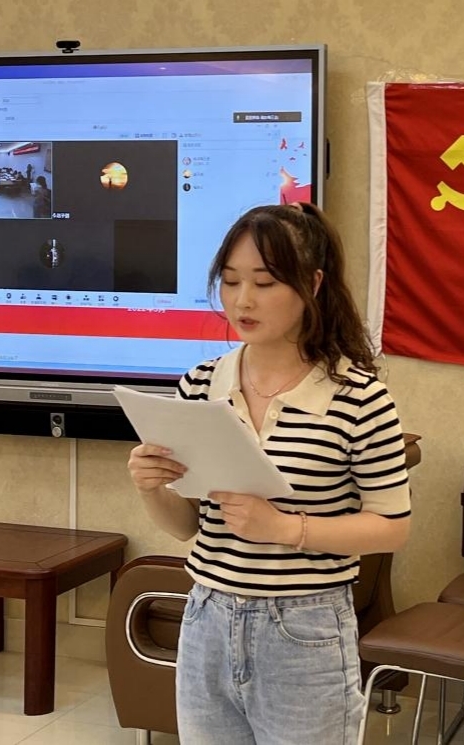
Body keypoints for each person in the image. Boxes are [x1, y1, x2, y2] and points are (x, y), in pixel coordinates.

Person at [127, 203, 411, 745]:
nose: (243, 301)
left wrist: (285, 528)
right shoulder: (200, 384)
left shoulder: (359, 397)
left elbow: (392, 526)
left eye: (264, 282)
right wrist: (151, 486)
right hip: (207, 615)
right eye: (230, 281)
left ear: (313, 284)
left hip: (305, 629)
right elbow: (187, 526)